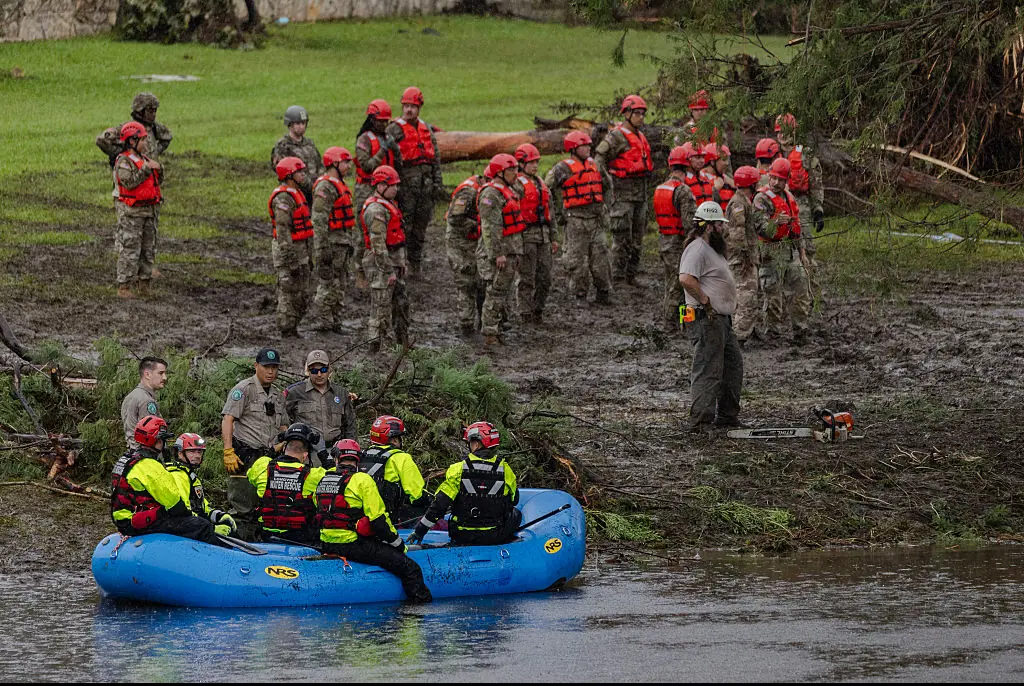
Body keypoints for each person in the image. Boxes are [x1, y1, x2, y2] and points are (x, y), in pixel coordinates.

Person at [314, 438, 433, 603]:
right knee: (411, 569)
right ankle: (415, 618)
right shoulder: (362, 480)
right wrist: (399, 545)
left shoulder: (322, 479)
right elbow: (379, 521)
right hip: (353, 545)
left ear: (336, 459)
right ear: (358, 460)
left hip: (326, 544)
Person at [678, 202, 743, 433]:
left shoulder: (713, 249)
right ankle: (701, 422)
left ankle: (727, 416)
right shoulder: (697, 249)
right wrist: (705, 301)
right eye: (718, 224)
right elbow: (686, 279)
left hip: (721, 320)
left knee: (732, 367)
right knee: (708, 369)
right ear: (707, 226)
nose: (722, 228)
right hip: (707, 318)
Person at [407, 421, 521, 547]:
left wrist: (419, 531)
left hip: (462, 535)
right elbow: (514, 500)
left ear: (477, 443)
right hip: (494, 535)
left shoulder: (458, 469)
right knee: (516, 513)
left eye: (470, 442)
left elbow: (439, 505)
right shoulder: (506, 470)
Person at [109, 415, 218, 543]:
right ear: (157, 441)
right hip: (134, 522)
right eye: (162, 440)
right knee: (202, 526)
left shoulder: (127, 459)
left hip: (122, 518)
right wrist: (192, 519)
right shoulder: (150, 465)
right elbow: (174, 504)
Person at [221, 347, 289, 540]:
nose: (271, 372)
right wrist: (228, 451)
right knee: (243, 508)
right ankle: (235, 545)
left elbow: (284, 425)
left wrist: (288, 446)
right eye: (267, 367)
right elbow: (228, 419)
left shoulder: (277, 395)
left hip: (269, 457)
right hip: (245, 456)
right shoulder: (243, 389)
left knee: (267, 507)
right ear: (256, 366)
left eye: (275, 367)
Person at [544, 131, 613, 306]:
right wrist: (558, 213)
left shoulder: (595, 165)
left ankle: (603, 292)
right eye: (584, 146)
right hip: (575, 219)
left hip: (595, 219)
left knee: (601, 257)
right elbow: (546, 189)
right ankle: (580, 295)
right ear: (573, 149)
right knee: (576, 260)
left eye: (589, 145)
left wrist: (604, 207)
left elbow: (607, 185)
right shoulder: (562, 168)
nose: (588, 149)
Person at [594, 95, 654, 286]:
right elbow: (599, 159)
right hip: (622, 194)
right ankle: (617, 277)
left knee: (637, 237)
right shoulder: (616, 137)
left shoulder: (640, 136)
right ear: (626, 114)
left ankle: (631, 275)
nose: (641, 117)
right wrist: (606, 182)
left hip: (640, 193)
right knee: (622, 237)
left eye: (643, 114)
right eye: (637, 113)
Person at [385, 87, 445, 277]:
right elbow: (388, 159)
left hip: (425, 186)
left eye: (413, 106)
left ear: (419, 108)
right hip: (405, 186)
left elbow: (434, 158)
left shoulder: (425, 129)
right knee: (404, 226)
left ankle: (416, 265)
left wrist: (437, 182)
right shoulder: (393, 129)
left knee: (421, 227)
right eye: (406, 106)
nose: (409, 110)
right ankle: (400, 265)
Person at [753, 158, 811, 344]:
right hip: (771, 251)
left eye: (781, 179)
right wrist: (775, 222)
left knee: (800, 290)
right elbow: (760, 228)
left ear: (787, 180)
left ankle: (800, 330)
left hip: (789, 250)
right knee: (773, 296)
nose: (777, 183)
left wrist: (802, 252)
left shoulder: (789, 197)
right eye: (774, 178)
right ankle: (773, 333)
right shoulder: (761, 198)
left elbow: (796, 227)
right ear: (769, 176)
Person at [247, 422, 327, 544]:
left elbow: (251, 474)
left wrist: (274, 450)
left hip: (266, 536)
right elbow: (336, 480)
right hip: (299, 539)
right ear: (305, 455)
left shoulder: (263, 466)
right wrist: (323, 454)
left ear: (284, 448)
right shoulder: (314, 475)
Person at [477, 153, 526, 346]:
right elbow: (491, 227)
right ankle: (489, 332)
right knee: (495, 292)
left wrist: (516, 252)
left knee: (502, 292)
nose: (515, 173)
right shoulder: (490, 194)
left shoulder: (508, 190)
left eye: (516, 169)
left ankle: (495, 330)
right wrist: (497, 254)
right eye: (511, 170)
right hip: (497, 252)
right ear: (499, 172)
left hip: (510, 249)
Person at [775, 113, 825, 301]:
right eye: (779, 132)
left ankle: (814, 297)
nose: (782, 136)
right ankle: (784, 297)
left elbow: (816, 183)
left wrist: (818, 209)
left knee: (808, 253)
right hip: (777, 207)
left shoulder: (805, 153)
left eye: (785, 132)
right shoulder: (772, 153)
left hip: (801, 206)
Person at [360, 165, 409, 353]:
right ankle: (375, 346)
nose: (396, 189)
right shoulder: (375, 210)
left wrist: (401, 263)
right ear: (380, 186)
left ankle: (401, 342)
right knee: (381, 306)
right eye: (392, 185)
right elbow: (378, 245)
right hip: (381, 264)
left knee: (401, 303)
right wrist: (388, 270)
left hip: (394, 260)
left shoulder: (389, 205)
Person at [112, 121, 162, 299]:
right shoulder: (124, 162)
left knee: (148, 250)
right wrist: (147, 170)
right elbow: (130, 182)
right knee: (130, 249)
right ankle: (124, 286)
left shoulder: (145, 160)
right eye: (142, 140)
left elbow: (157, 181)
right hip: (132, 214)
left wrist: (158, 169)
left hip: (149, 212)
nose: (146, 143)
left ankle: (144, 284)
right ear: (131, 141)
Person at [310, 146, 358, 331]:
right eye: (345, 162)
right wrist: (322, 248)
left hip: (343, 243)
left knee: (340, 282)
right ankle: (324, 321)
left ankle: (336, 320)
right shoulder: (326, 187)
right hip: (331, 243)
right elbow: (319, 220)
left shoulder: (339, 184)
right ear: (334, 164)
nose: (348, 166)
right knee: (328, 282)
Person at [724, 166, 772, 347]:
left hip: (747, 258)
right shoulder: (738, 204)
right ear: (751, 183)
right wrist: (745, 258)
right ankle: (739, 337)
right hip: (741, 260)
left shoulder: (744, 201)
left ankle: (748, 331)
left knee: (750, 295)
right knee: (746, 298)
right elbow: (737, 236)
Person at [283, 349, 357, 467]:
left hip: (335, 453)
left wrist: (351, 451)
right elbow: (283, 421)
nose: (319, 374)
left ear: (329, 369)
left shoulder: (340, 393)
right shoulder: (295, 393)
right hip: (307, 455)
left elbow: (350, 425)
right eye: (314, 371)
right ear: (308, 371)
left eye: (323, 370)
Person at [354, 99, 398, 288]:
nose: (383, 125)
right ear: (372, 119)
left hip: (386, 189)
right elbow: (367, 166)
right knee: (363, 232)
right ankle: (360, 272)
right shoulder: (364, 140)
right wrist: (382, 150)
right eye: (380, 121)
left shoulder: (387, 137)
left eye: (386, 121)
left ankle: (383, 267)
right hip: (366, 188)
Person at [653, 147, 697, 327]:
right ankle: (678, 323)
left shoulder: (661, 187)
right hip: (679, 243)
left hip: (664, 240)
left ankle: (675, 322)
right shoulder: (683, 190)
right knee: (681, 286)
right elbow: (689, 223)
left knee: (671, 283)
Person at [269, 156, 313, 337]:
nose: (303, 175)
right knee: (288, 290)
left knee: (301, 291)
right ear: (289, 176)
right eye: (299, 172)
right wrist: (291, 260)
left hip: (301, 250)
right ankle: (286, 328)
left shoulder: (297, 194)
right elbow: (283, 233)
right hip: (289, 252)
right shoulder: (283, 199)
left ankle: (293, 326)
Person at [360, 414, 431, 523]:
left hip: (362, 515)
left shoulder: (362, 455)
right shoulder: (401, 457)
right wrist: (434, 501)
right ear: (393, 439)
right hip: (389, 517)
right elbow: (416, 495)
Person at [165, 432, 238, 536]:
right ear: (180, 453)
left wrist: (219, 516)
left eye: (199, 452)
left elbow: (202, 507)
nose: (197, 456)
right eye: (192, 452)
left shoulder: (190, 475)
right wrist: (211, 528)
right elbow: (183, 512)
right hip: (184, 528)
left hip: (195, 524)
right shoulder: (178, 476)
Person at [444, 168, 486, 336]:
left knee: (482, 280)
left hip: (475, 240)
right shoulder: (468, 192)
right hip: (459, 241)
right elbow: (454, 219)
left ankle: (485, 321)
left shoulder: (487, 190)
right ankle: (466, 323)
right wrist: (478, 225)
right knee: (466, 281)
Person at [96, 92, 174, 170]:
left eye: (155, 110)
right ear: (140, 111)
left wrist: (153, 153)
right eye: (150, 111)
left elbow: (167, 137)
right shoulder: (128, 128)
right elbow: (101, 140)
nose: (154, 114)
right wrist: (122, 153)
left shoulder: (154, 127)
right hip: (131, 176)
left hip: (150, 176)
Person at [270, 105, 323, 203]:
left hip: (314, 193)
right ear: (290, 124)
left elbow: (319, 165)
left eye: (303, 123)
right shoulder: (282, 146)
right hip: (295, 194)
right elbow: (284, 171)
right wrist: (309, 186)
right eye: (298, 123)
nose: (301, 126)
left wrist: (319, 184)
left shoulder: (309, 143)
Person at [120, 356, 167, 449]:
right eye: (160, 373)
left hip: (133, 452)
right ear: (147, 374)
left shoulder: (132, 395)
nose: (165, 377)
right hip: (146, 453)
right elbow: (150, 433)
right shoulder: (146, 400)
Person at [680, 142, 714, 207]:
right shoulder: (682, 179)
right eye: (698, 157)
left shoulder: (706, 177)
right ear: (687, 158)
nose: (702, 161)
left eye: (703, 157)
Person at [703, 143, 736, 212]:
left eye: (727, 160)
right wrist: (715, 189)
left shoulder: (726, 178)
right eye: (724, 160)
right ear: (712, 162)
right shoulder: (701, 178)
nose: (727, 163)